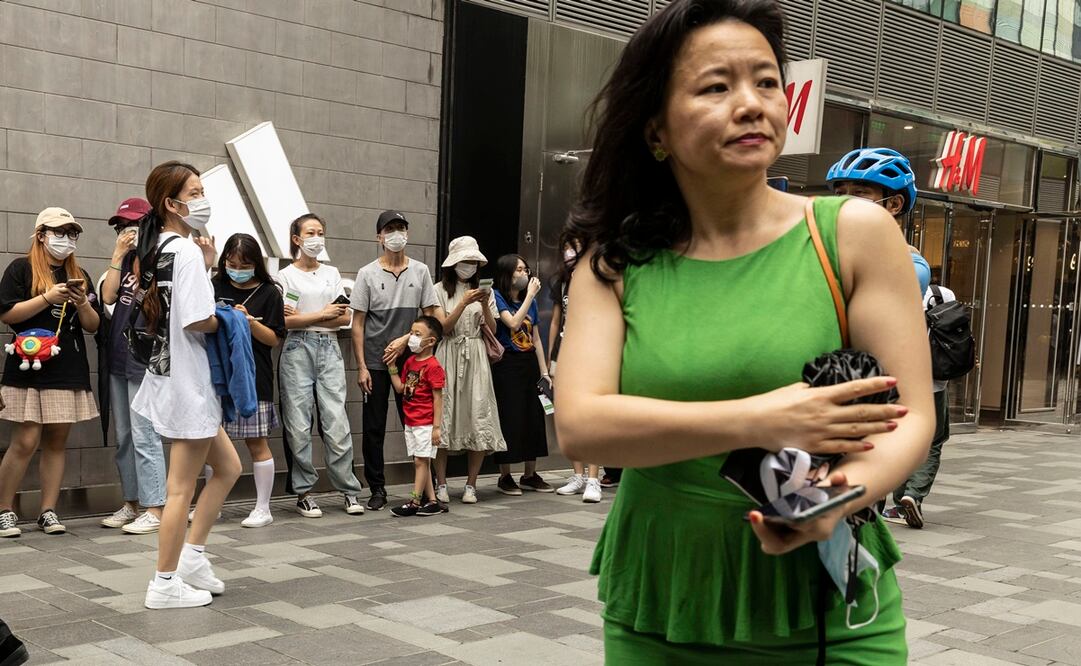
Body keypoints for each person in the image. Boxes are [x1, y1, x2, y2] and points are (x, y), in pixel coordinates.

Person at [554, 1, 935, 662]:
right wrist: (761, 418)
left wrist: (829, 502)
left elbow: (911, 416)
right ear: (655, 129)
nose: (752, 104)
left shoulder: (853, 233)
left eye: (766, 81)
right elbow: (583, 427)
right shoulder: (614, 263)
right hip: (664, 595)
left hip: (828, 601)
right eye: (715, 87)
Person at [132, 161, 241, 609]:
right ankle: (164, 582)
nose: (202, 199)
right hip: (188, 380)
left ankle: (192, 557)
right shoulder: (185, 251)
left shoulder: (157, 247)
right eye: (194, 192)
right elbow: (197, 319)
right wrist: (232, 319)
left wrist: (209, 269)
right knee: (179, 489)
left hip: (168, 374)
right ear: (171, 203)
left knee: (229, 467)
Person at [0, 208, 101, 538]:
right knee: (25, 440)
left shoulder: (78, 273)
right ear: (41, 235)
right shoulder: (20, 268)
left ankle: (48, 511)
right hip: (28, 365)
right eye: (59, 232)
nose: (66, 239)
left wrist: (82, 302)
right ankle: (4, 510)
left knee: (57, 440)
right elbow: (8, 314)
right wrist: (47, 297)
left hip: (67, 366)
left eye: (72, 233)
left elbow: (93, 325)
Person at [277, 214, 365, 519]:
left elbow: (345, 317)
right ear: (297, 239)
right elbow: (285, 322)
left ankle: (349, 490)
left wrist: (310, 316)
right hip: (296, 348)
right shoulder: (285, 276)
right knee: (298, 425)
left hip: (329, 347)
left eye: (320, 232)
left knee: (336, 421)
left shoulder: (331, 273)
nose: (317, 238)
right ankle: (303, 493)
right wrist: (324, 313)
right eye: (310, 233)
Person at [350, 210, 440, 511]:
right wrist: (362, 366)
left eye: (401, 228)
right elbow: (358, 323)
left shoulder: (420, 271)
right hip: (376, 362)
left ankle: (427, 490)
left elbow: (430, 316)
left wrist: (405, 340)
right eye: (390, 229)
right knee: (374, 427)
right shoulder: (367, 273)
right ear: (379, 237)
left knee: (417, 423)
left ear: (407, 233)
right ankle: (377, 488)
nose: (396, 234)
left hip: (412, 360)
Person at [99, 198, 168, 536]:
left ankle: (156, 507)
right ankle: (132, 503)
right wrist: (117, 256)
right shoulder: (125, 260)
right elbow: (108, 297)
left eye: (132, 224)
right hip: (118, 356)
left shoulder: (162, 259)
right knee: (124, 435)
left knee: (144, 433)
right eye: (120, 225)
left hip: (145, 359)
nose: (125, 230)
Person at [210, 233, 287, 528]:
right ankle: (213, 505)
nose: (237, 270)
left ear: (256, 264)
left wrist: (249, 323)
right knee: (211, 444)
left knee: (256, 442)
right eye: (231, 264)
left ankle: (262, 508)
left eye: (244, 265)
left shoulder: (269, 293)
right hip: (218, 373)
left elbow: (274, 339)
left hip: (254, 376)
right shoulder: (215, 285)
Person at [432, 236, 506, 504]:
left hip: (475, 354)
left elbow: (494, 329)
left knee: (479, 414)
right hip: (448, 353)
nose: (470, 265)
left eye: (474, 261)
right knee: (444, 415)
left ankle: (471, 484)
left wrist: (484, 303)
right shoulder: (438, 290)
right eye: (465, 260)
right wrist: (463, 302)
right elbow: (442, 328)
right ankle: (441, 483)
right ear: (453, 263)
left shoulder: (486, 291)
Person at [883, 279, 956, 529]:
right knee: (932, 441)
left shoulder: (890, 293)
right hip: (934, 383)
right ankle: (912, 495)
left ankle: (898, 502)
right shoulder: (941, 294)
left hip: (900, 382)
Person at [827, 147, 931, 294]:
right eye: (840, 193)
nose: (844, 200)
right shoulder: (826, 246)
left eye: (860, 192)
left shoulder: (913, 266)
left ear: (894, 204)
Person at [491, 254, 552, 495]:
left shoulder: (531, 301)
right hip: (507, 363)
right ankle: (505, 476)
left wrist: (544, 371)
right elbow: (513, 323)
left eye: (526, 269)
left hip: (529, 364)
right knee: (509, 417)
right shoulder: (497, 296)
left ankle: (530, 474)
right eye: (519, 269)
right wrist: (530, 296)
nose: (525, 273)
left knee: (533, 416)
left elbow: (535, 338)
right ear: (507, 273)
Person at [551, 243, 602, 504]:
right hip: (565, 352)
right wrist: (550, 360)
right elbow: (555, 321)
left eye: (576, 246)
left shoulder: (600, 278)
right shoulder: (561, 282)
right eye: (568, 247)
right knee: (569, 415)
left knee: (592, 416)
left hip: (592, 352)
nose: (571, 252)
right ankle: (578, 475)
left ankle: (594, 478)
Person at [388, 316, 446, 517]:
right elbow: (400, 388)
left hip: (425, 422)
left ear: (431, 341)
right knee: (422, 461)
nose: (412, 338)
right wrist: (392, 366)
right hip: (411, 421)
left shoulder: (433, 366)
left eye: (417, 334)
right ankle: (432, 502)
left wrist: (436, 427)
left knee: (420, 461)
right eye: (411, 333)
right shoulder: (410, 362)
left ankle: (414, 501)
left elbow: (438, 398)